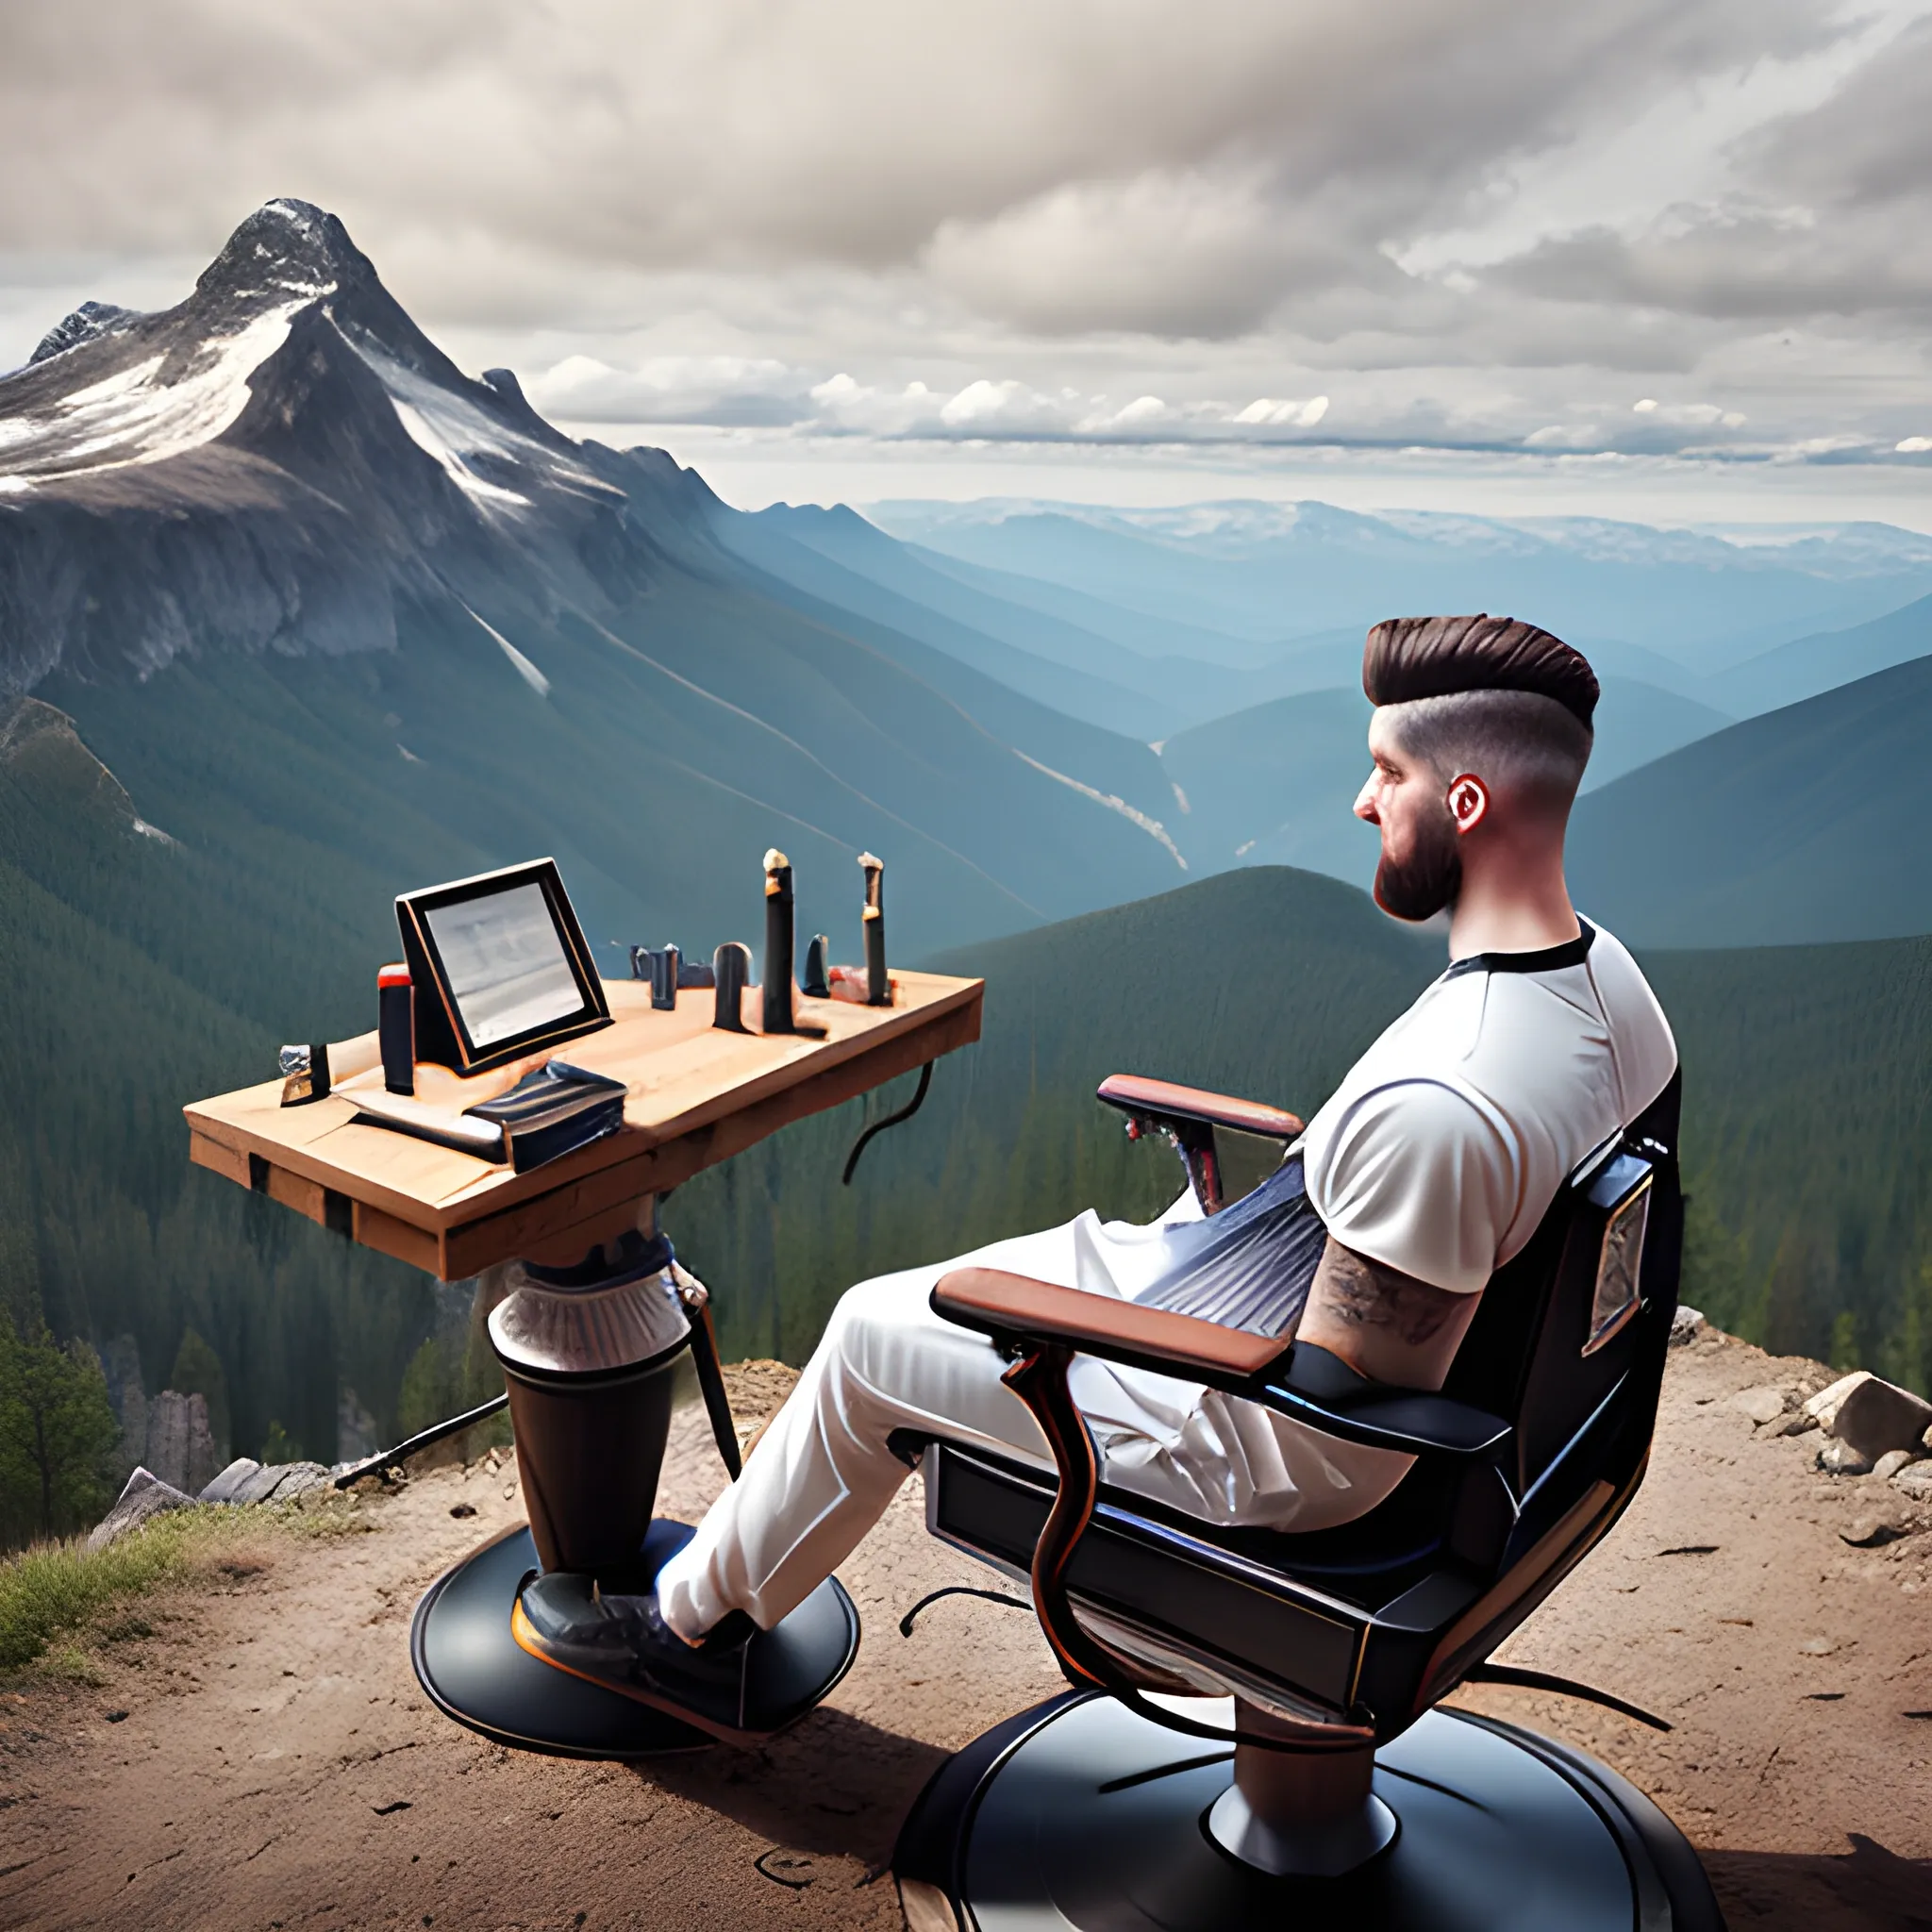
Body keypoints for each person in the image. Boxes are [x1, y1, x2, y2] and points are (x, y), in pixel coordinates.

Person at [515, 614, 1679, 1739]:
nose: (1362, 800)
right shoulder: (1611, 989)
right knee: (1012, 1270)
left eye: (1386, 773)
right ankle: (739, 1563)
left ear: (1463, 802)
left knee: (873, 1327)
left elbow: (1335, 1407)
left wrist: (1129, 1317)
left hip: (1272, 1452)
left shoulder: (1447, 1093)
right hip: (1378, 1364)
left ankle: (682, 1637)